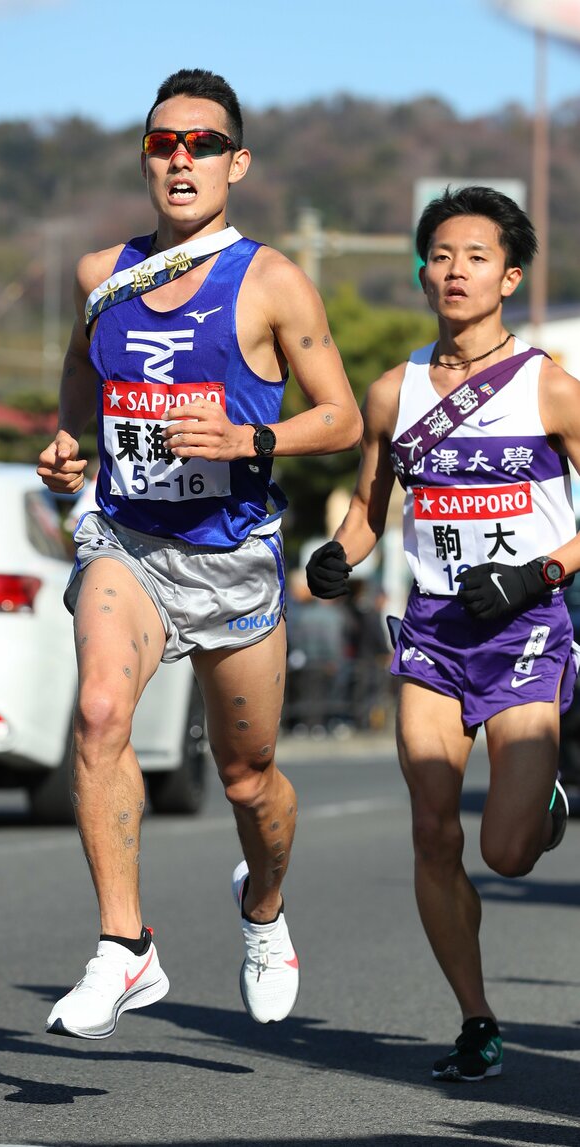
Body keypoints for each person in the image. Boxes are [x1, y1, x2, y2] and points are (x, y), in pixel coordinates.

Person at [36, 68, 362, 1039]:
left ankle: (263, 905)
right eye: (162, 143)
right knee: (100, 712)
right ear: (145, 160)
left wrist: (249, 438)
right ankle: (124, 946)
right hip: (127, 541)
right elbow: (79, 368)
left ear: (237, 162)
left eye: (203, 144)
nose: (181, 159)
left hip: (232, 555)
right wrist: (69, 438)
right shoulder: (100, 276)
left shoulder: (270, 281)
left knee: (249, 777)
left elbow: (342, 417)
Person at [307, 185, 579, 1082]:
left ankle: (545, 804)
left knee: (503, 851)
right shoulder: (394, 391)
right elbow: (366, 511)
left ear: (509, 277)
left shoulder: (548, 386)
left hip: (525, 628)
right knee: (432, 830)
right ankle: (475, 1018)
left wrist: (538, 574)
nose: (455, 270)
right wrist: (335, 554)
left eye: (476, 257)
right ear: (423, 273)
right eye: (440, 255)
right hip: (433, 632)